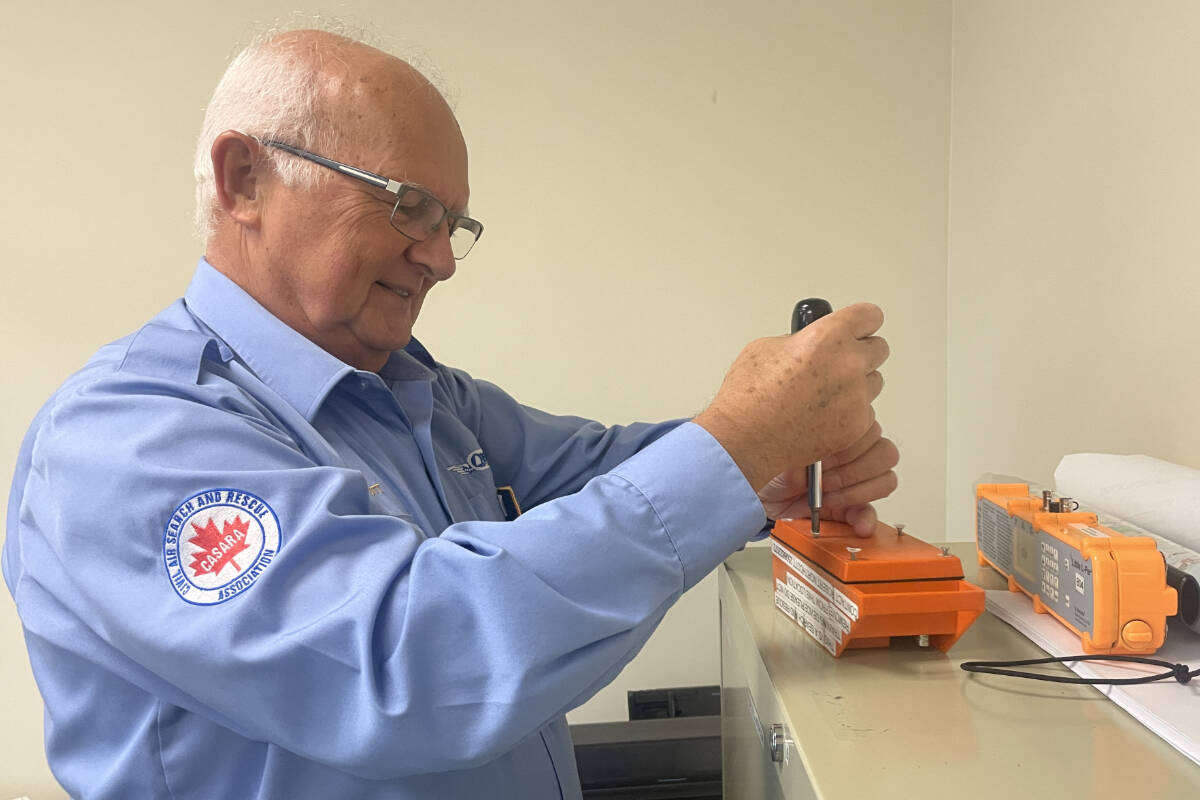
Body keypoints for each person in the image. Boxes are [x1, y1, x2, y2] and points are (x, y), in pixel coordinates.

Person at [3, 28, 897, 800]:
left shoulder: (420, 397)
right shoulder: (126, 438)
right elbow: (408, 662)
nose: (441, 258)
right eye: (408, 206)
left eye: (453, 223)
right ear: (245, 179)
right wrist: (742, 443)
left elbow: (601, 473)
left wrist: (765, 470)